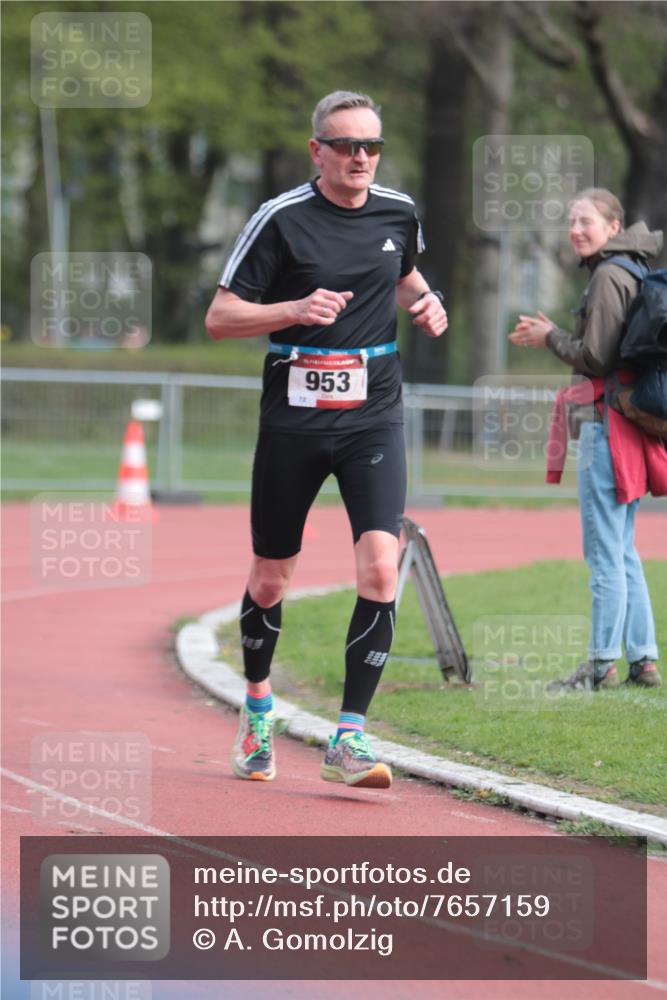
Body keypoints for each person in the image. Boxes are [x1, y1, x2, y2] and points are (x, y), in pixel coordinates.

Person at [205, 91, 447, 785]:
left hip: (372, 409)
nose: (360, 158)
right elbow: (219, 318)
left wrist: (426, 301)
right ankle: (257, 710)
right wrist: (294, 309)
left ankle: (348, 737)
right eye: (345, 146)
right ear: (318, 150)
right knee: (271, 577)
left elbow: (401, 274)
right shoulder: (279, 220)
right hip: (294, 414)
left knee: (378, 567)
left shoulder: (398, 211)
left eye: (371, 146)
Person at [509, 188, 664, 691]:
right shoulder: (634, 270)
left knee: (604, 552)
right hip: (627, 425)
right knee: (622, 549)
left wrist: (549, 336)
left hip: (606, 426)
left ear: (613, 227)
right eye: (572, 221)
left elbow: (595, 358)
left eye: (586, 221)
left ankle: (600, 666)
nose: (576, 229)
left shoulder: (606, 275)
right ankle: (643, 660)